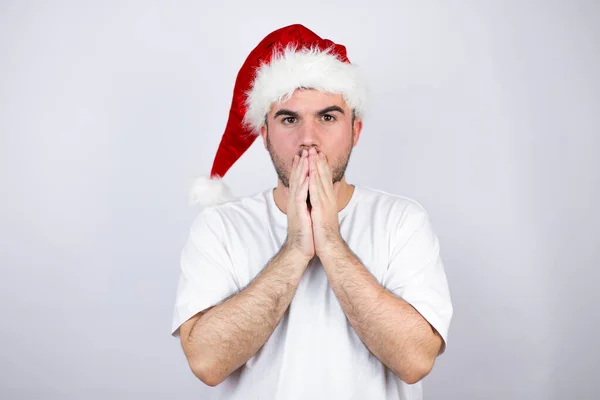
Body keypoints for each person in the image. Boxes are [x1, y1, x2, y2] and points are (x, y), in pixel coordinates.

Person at [171, 24, 453, 400]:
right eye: (289, 119)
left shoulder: (401, 221)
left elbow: (416, 360)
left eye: (327, 117)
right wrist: (296, 249)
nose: (308, 138)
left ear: (355, 130)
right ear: (264, 134)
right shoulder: (221, 227)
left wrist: (331, 243)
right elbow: (206, 363)